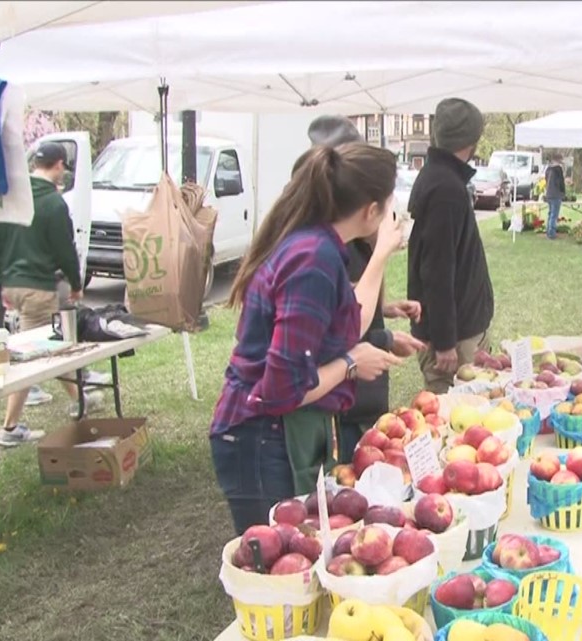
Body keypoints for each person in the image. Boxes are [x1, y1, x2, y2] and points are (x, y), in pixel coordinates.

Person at [210, 143, 404, 535]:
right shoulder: (313, 260)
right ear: (371, 211)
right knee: (275, 566)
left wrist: (380, 255)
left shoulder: (318, 247)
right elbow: (282, 390)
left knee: (297, 555)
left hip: (273, 434)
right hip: (260, 436)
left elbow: (351, 321)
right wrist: (351, 364)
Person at [303, 115, 427, 462]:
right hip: (316, 410)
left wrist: (384, 311)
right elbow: (340, 327)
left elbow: (340, 308)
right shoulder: (318, 251)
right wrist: (355, 359)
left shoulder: (331, 241)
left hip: (339, 395)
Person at [0, 142, 97, 447]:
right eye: (64, 167)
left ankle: (80, 400)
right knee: (34, 357)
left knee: (52, 349)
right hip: (37, 285)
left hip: (14, 284)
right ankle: (9, 428)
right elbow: (65, 249)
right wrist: (75, 283)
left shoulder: (13, 198)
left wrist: (5, 281)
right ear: (59, 165)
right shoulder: (53, 204)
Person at [407, 98, 494, 394]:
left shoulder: (442, 178)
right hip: (453, 340)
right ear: (471, 140)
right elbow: (437, 270)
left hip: (461, 329)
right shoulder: (445, 189)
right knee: (453, 415)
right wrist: (444, 342)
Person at [543, 153, 567, 240]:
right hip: (556, 193)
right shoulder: (558, 169)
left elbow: (546, 180)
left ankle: (548, 231)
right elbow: (561, 183)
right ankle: (552, 233)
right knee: (554, 214)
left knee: (550, 213)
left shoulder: (548, 169)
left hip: (549, 193)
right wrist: (563, 193)